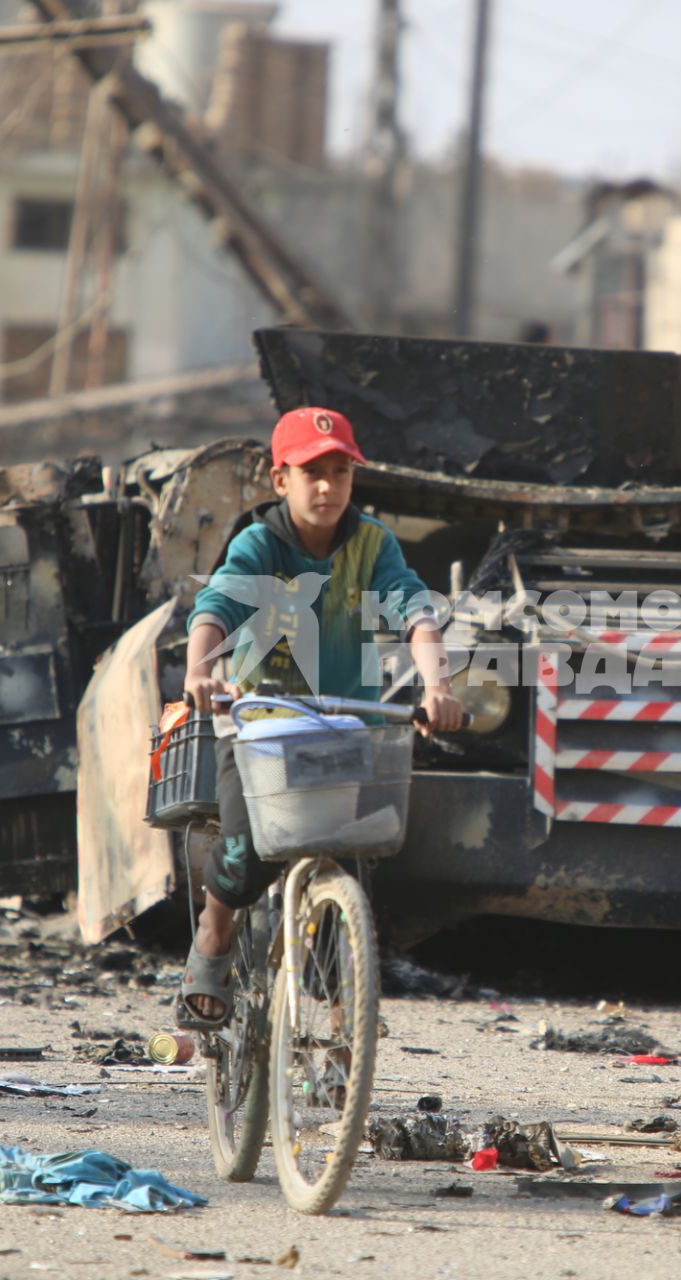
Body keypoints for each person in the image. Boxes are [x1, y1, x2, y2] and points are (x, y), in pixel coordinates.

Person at [175, 406, 464, 1027]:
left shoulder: (372, 543)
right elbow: (217, 606)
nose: (328, 486)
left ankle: (338, 1010)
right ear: (281, 480)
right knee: (247, 849)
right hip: (257, 724)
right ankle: (215, 927)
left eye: (340, 471)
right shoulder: (259, 544)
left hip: (342, 726)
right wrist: (200, 670)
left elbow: (417, 613)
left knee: (349, 854)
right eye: (312, 473)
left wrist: (437, 687)